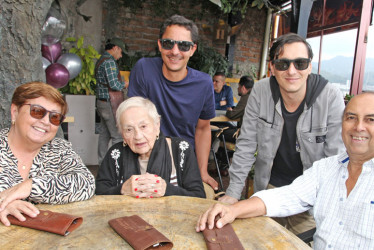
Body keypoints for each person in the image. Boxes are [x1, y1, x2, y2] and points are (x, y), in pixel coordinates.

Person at [197, 92, 374, 248]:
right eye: (351, 117)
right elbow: (288, 196)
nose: (358, 127)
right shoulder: (326, 169)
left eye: (370, 119)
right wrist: (232, 210)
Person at [219, 33, 345, 234]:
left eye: (300, 63)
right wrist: (233, 193)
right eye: (283, 64)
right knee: (261, 242)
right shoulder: (260, 92)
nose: (292, 71)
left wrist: (326, 203)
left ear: (310, 66)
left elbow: (336, 158)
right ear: (272, 67)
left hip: (311, 197)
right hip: (270, 191)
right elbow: (246, 144)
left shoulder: (330, 96)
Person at [128, 15, 217, 190]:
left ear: (193, 49)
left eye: (184, 45)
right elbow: (134, 120)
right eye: (169, 43)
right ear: (160, 45)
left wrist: (202, 172)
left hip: (184, 161)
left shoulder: (204, 83)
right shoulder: (144, 69)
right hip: (145, 157)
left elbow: (203, 128)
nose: (175, 51)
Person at [0, 81, 95, 226]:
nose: (46, 122)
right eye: (37, 111)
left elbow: (86, 183)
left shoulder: (59, 149)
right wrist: (3, 204)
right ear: (15, 112)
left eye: (55, 117)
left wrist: (31, 186)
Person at [95, 97, 205, 198]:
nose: (138, 136)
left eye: (143, 126)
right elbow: (99, 194)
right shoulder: (115, 154)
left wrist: (167, 190)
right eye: (129, 129)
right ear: (122, 134)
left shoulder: (181, 149)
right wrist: (122, 189)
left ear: (157, 126)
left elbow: (199, 197)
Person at [95, 37, 127, 165]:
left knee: (104, 134)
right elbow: (113, 85)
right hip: (109, 103)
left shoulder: (101, 60)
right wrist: (125, 84)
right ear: (115, 48)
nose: (120, 55)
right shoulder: (109, 62)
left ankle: (101, 163)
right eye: (120, 51)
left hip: (102, 102)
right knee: (117, 136)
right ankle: (116, 166)